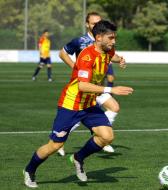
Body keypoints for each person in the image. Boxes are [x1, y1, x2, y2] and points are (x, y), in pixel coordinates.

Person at [23, 20, 134, 188]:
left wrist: (121, 60)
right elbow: (82, 86)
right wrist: (111, 90)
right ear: (98, 37)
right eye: (110, 38)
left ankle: (78, 158)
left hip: (89, 104)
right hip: (71, 105)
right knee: (55, 145)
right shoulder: (87, 56)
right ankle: (29, 170)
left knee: (107, 136)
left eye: (114, 38)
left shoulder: (109, 50)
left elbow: (114, 56)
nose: (114, 41)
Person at [58, 12, 116, 155]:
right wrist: (75, 67)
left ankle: (101, 137)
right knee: (78, 116)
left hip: (97, 87)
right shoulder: (80, 41)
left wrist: (118, 59)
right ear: (87, 24)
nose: (96, 25)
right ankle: (60, 140)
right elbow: (62, 53)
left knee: (114, 107)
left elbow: (110, 55)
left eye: (98, 22)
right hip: (84, 87)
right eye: (93, 23)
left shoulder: (105, 39)